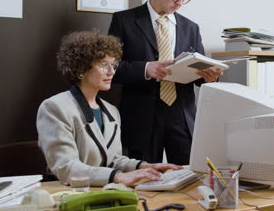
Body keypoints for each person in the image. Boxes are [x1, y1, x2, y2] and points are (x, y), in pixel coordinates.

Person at [108, 0, 222, 164]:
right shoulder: (124, 20)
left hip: (182, 115)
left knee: (190, 178)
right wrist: (146, 69)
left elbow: (199, 73)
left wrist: (209, 78)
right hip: (141, 115)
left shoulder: (190, 28)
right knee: (144, 179)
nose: (179, 3)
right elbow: (111, 68)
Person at [37, 31, 181, 187]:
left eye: (113, 65)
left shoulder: (111, 110)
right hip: (69, 192)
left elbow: (114, 160)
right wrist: (118, 177)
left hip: (103, 190)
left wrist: (144, 166)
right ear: (81, 68)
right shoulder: (54, 107)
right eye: (104, 65)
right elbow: (66, 167)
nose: (112, 71)